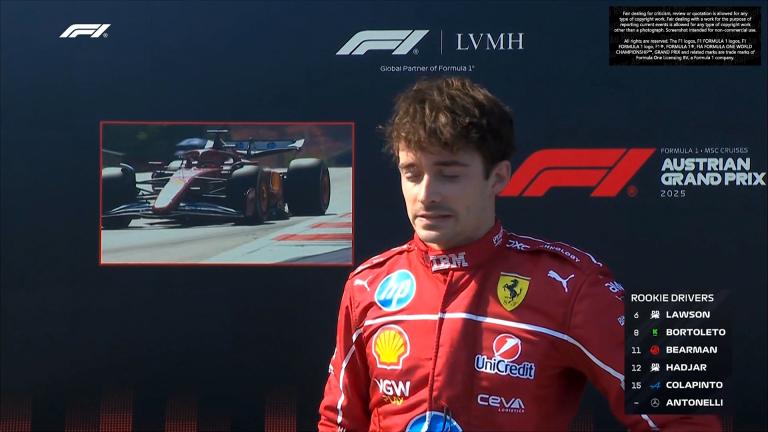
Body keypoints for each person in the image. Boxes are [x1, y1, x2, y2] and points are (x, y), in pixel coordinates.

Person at [318, 77, 721, 431]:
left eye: (449, 174)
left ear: (498, 177)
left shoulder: (572, 283)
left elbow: (686, 417)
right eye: (412, 173)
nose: (426, 194)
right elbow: (338, 422)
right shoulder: (367, 284)